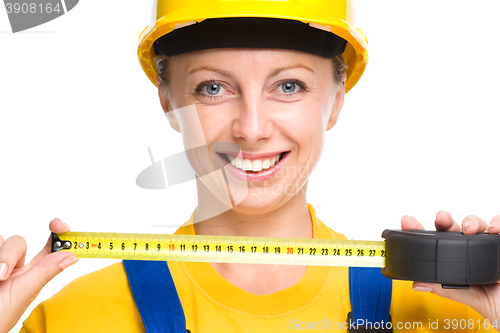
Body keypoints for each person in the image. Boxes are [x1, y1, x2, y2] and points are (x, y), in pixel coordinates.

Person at [1, 0, 500, 332]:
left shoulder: (440, 313)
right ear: (168, 102)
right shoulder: (75, 319)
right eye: (213, 88)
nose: (252, 128)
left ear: (337, 100)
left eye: (289, 86)